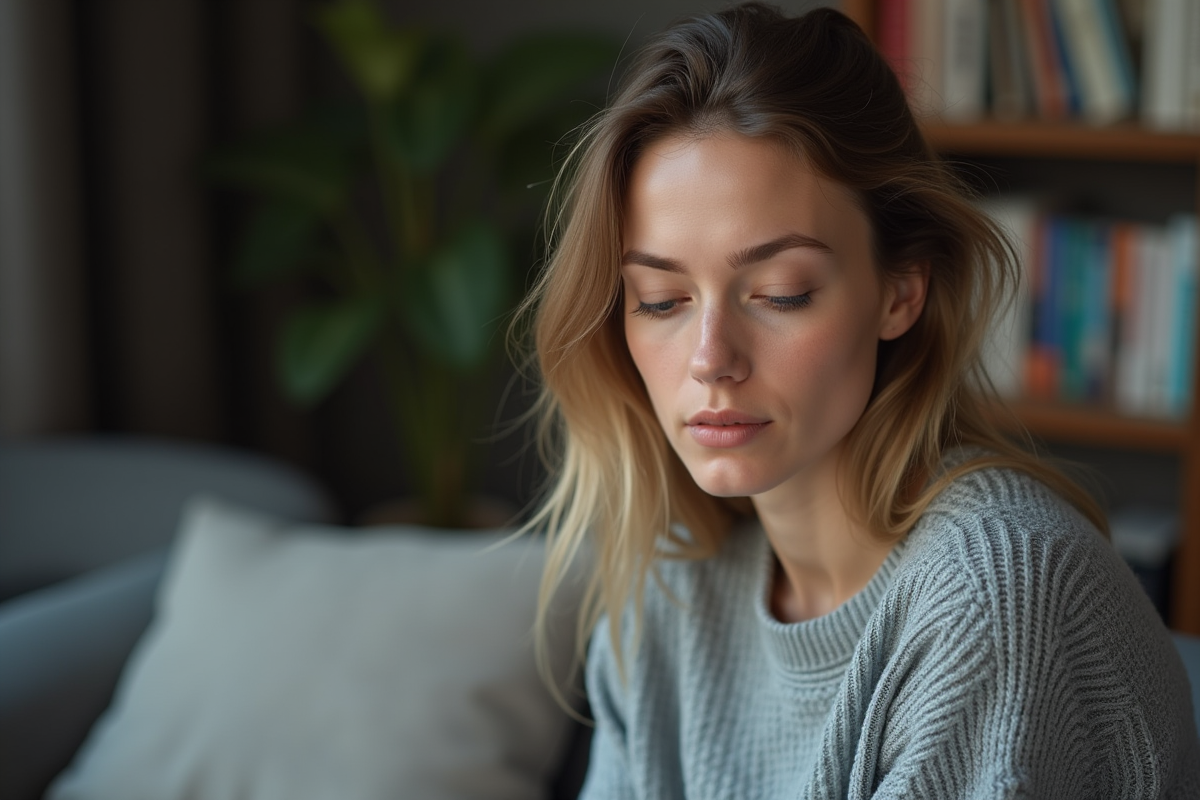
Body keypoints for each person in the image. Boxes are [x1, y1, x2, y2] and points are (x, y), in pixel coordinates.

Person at [515, 4, 1200, 797]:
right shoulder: (668, 598)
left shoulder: (997, 593)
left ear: (900, 291)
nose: (710, 361)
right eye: (662, 300)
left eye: (780, 293)